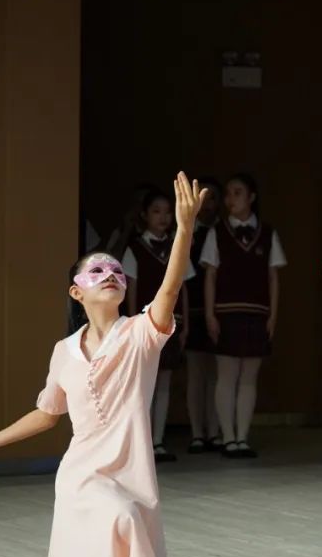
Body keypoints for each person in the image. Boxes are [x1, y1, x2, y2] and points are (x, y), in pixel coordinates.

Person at [0, 173, 206, 557]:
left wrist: (184, 229)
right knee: (114, 515)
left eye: (116, 271)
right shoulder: (64, 351)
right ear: (76, 292)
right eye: (97, 271)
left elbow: (171, 288)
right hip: (81, 474)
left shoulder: (141, 334)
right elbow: (47, 414)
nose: (110, 275)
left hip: (131, 473)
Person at [200, 173, 287, 459]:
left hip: (257, 313)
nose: (230, 199)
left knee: (249, 377)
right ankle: (228, 437)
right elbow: (210, 276)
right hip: (225, 312)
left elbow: (273, 277)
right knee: (226, 376)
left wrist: (273, 315)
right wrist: (210, 314)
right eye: (228, 194)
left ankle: (242, 438)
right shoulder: (217, 232)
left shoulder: (268, 233)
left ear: (251, 197)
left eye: (237, 193)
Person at [122, 189, 196, 463]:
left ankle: (158, 441)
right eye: (156, 211)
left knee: (164, 383)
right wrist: (133, 324)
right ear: (144, 215)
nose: (163, 217)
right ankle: (142, 444)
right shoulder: (135, 249)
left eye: (167, 212)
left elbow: (182, 288)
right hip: (144, 326)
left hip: (171, 325)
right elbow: (131, 289)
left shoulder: (178, 246)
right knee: (144, 386)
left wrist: (185, 323)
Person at [184, 177, 223, 453]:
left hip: (221, 311)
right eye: (203, 198)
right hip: (193, 310)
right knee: (196, 374)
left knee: (217, 375)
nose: (207, 204)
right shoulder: (185, 231)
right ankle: (198, 433)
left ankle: (216, 431)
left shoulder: (223, 232)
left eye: (212, 199)